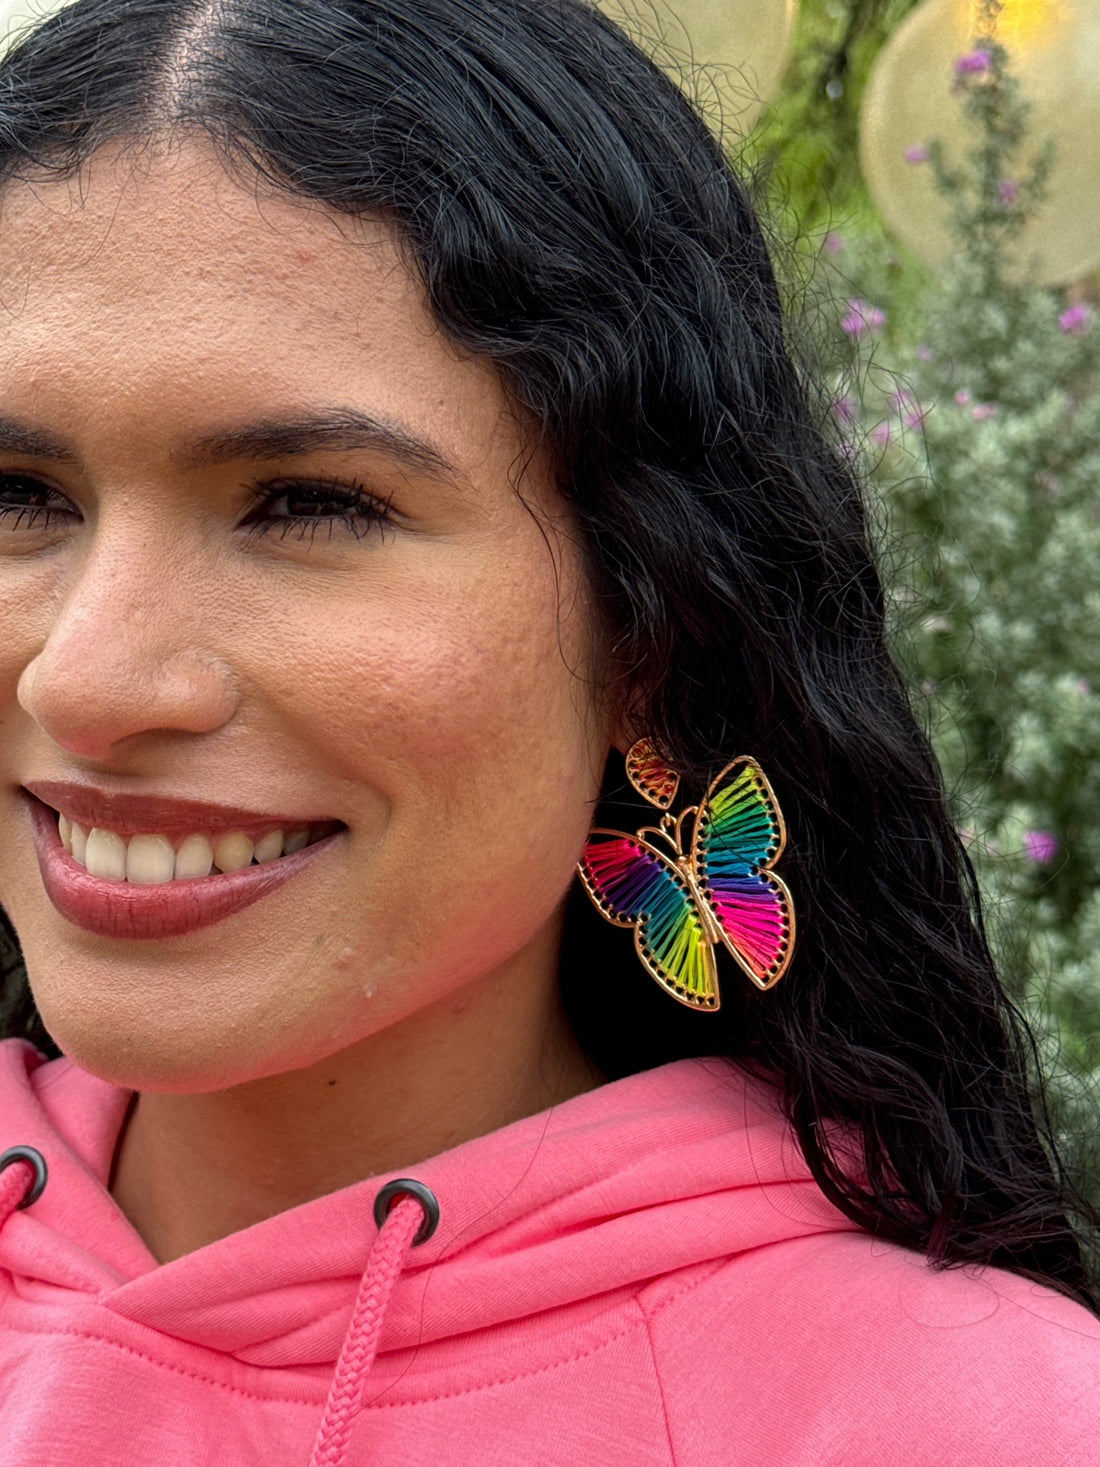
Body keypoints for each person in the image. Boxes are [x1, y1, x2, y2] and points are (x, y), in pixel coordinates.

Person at [0, 0, 1097, 1462]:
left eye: (312, 502)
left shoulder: (971, 1419)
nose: (88, 680)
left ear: (654, 623)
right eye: (20, 495)